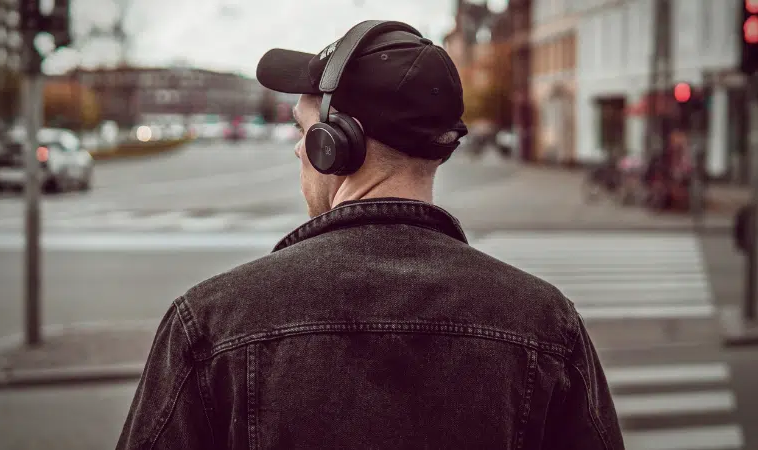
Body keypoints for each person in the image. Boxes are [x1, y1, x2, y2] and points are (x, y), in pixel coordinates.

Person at [116, 20, 624, 450]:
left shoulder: (209, 323)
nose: (299, 152)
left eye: (303, 131)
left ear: (333, 143)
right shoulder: (544, 323)